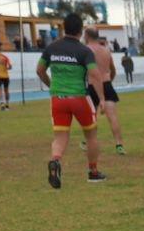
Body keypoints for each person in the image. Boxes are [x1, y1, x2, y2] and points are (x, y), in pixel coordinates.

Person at [36, 13, 106, 187]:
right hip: (80, 97)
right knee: (91, 135)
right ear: (80, 31)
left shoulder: (51, 48)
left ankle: (56, 160)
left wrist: (51, 85)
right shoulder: (84, 51)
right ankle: (93, 171)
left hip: (58, 99)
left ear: (64, 28)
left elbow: (40, 70)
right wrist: (102, 99)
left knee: (60, 136)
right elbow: (94, 74)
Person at [84, 27, 125, 154]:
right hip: (106, 83)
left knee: (91, 117)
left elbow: (85, 71)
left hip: (92, 85)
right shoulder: (107, 50)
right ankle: (119, 144)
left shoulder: (85, 50)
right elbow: (113, 70)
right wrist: (108, 82)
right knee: (112, 117)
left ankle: (89, 142)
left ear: (86, 36)